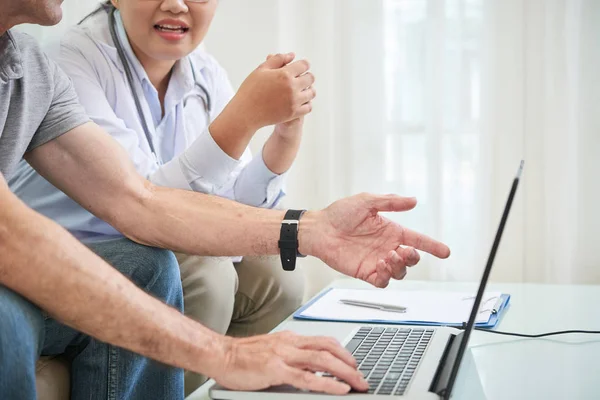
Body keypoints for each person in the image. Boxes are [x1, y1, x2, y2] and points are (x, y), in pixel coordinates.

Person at [0, 0, 450, 399]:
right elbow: (14, 236)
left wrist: (310, 227)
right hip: (70, 245)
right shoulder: (74, 56)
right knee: (11, 320)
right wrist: (226, 356)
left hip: (132, 237)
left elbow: (140, 201)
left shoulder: (30, 68)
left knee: (174, 269)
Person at [9, 0, 312, 392]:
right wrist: (244, 118)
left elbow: (231, 206)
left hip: (146, 226)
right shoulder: (71, 59)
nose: (176, 4)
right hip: (95, 243)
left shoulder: (203, 71)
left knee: (278, 274)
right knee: (207, 275)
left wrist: (284, 139)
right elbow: (138, 200)